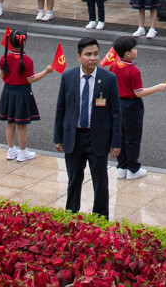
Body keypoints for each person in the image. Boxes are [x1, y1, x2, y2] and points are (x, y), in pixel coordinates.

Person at [52, 37, 121, 216]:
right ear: (79, 57)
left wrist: (116, 142)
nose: (93, 58)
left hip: (97, 138)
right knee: (74, 179)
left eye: (96, 54)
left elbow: (115, 113)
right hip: (73, 137)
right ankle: (71, 216)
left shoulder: (108, 79)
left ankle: (100, 220)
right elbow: (61, 108)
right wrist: (58, 137)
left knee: (100, 182)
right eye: (88, 54)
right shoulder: (68, 76)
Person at [109, 35, 166, 180]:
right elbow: (138, 93)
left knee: (121, 135)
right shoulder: (133, 71)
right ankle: (133, 168)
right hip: (131, 106)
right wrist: (158, 87)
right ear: (128, 54)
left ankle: (122, 166)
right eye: (134, 49)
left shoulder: (114, 64)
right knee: (133, 137)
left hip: (117, 103)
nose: (136, 51)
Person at [0, 27, 54, 161]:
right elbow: (31, 79)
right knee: (22, 124)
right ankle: (23, 152)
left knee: (10, 122)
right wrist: (46, 71)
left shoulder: (5, 58)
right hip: (22, 93)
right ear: (24, 43)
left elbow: (1, 74)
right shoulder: (27, 61)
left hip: (8, 92)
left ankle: (11, 150)